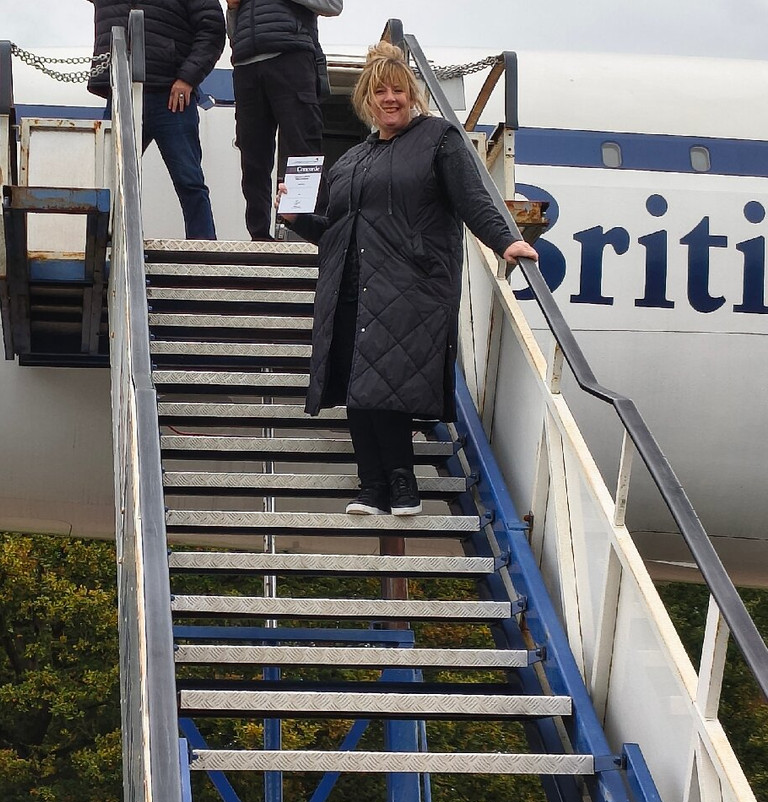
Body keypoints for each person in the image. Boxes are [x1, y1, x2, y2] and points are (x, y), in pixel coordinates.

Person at [278, 41, 539, 516]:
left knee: (384, 383)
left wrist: (506, 240)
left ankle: (403, 485)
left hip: (408, 285)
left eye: (397, 90)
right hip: (350, 286)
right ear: (366, 100)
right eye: (379, 92)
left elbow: (472, 198)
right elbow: (335, 232)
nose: (389, 99)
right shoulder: (353, 161)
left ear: (412, 94)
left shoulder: (437, 138)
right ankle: (371, 487)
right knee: (359, 386)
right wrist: (297, 219)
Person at [86, 0, 225, 240]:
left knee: (188, 180)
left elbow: (212, 29)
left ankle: (204, 252)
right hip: (121, 92)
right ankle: (109, 244)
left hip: (171, 95)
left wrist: (188, 78)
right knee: (109, 179)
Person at [225, 0, 342, 241]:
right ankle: (258, 236)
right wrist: (233, 8)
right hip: (246, 65)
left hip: (292, 56)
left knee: (303, 148)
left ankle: (318, 234)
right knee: (252, 156)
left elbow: (333, 5)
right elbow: (235, 33)